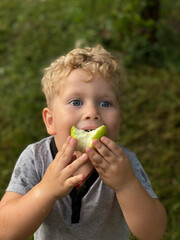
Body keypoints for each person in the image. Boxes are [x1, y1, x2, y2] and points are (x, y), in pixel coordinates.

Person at [0, 45, 167, 240]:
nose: (92, 113)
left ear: (118, 121)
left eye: (105, 103)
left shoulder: (124, 164)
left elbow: (154, 232)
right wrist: (45, 190)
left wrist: (127, 185)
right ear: (51, 121)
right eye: (76, 102)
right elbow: (6, 231)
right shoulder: (36, 159)